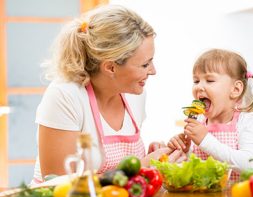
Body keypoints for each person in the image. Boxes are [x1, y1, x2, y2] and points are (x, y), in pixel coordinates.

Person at [32, 4, 183, 184]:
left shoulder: (135, 95)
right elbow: (56, 183)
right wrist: (139, 168)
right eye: (144, 65)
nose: (153, 71)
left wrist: (151, 156)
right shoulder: (65, 96)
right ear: (110, 67)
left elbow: (123, 171)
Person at [168, 48, 253, 182]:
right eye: (196, 81)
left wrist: (205, 140)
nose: (199, 87)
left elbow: (250, 165)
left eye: (209, 80)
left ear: (235, 89)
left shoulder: (247, 121)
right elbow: (196, 168)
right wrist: (185, 152)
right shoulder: (200, 120)